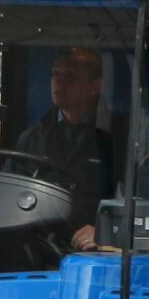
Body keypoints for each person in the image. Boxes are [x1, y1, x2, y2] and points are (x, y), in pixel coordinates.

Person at [12, 46, 118, 251]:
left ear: (95, 85)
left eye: (70, 77)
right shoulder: (31, 139)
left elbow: (135, 202)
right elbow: (8, 196)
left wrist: (105, 230)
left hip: (94, 253)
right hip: (36, 249)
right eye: (55, 75)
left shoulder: (118, 138)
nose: (59, 82)